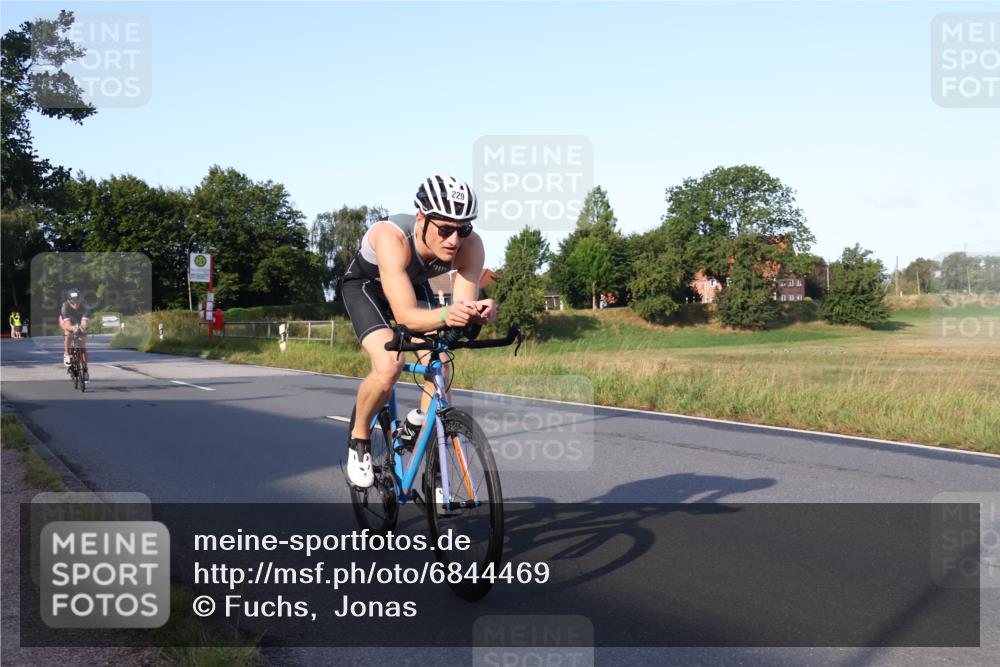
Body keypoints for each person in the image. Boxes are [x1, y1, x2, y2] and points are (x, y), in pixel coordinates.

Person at [343, 175, 497, 488]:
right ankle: (359, 438)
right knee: (390, 365)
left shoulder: (470, 246)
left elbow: (460, 314)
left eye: (463, 228)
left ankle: (432, 462)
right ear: (421, 219)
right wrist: (446, 313)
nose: (454, 239)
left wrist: (478, 314)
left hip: (411, 286)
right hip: (366, 288)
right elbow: (406, 317)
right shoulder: (392, 238)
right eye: (445, 229)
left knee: (439, 362)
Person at [59, 289, 90, 376]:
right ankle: (66, 353)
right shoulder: (65, 307)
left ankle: (85, 369)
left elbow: (84, 323)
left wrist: (81, 328)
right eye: (73, 302)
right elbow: (67, 325)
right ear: (68, 301)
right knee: (68, 332)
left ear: (80, 299)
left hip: (79, 319)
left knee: (82, 344)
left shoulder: (85, 306)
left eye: (77, 301)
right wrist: (73, 328)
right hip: (68, 320)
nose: (75, 304)